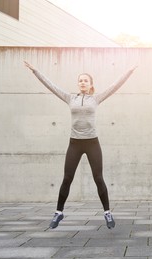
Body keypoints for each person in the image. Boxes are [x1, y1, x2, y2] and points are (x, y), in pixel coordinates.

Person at [24, 61, 136, 229]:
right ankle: (59, 212)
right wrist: (35, 71)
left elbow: (115, 86)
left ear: (91, 85)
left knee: (98, 178)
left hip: (92, 143)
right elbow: (51, 86)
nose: (82, 82)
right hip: (74, 143)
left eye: (85, 80)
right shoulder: (70, 98)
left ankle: (107, 212)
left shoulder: (96, 99)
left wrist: (128, 71)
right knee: (67, 178)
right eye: (80, 80)